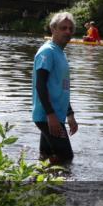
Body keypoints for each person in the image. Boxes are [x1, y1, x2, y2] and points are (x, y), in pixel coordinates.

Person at [32, 12, 78, 164]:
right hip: (48, 117)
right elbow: (40, 84)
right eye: (63, 28)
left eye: (70, 29)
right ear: (53, 29)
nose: (68, 32)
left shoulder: (60, 54)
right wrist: (50, 116)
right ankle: (59, 188)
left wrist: (70, 114)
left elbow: (62, 88)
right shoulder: (47, 52)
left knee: (46, 157)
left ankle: (43, 186)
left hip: (55, 116)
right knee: (66, 158)